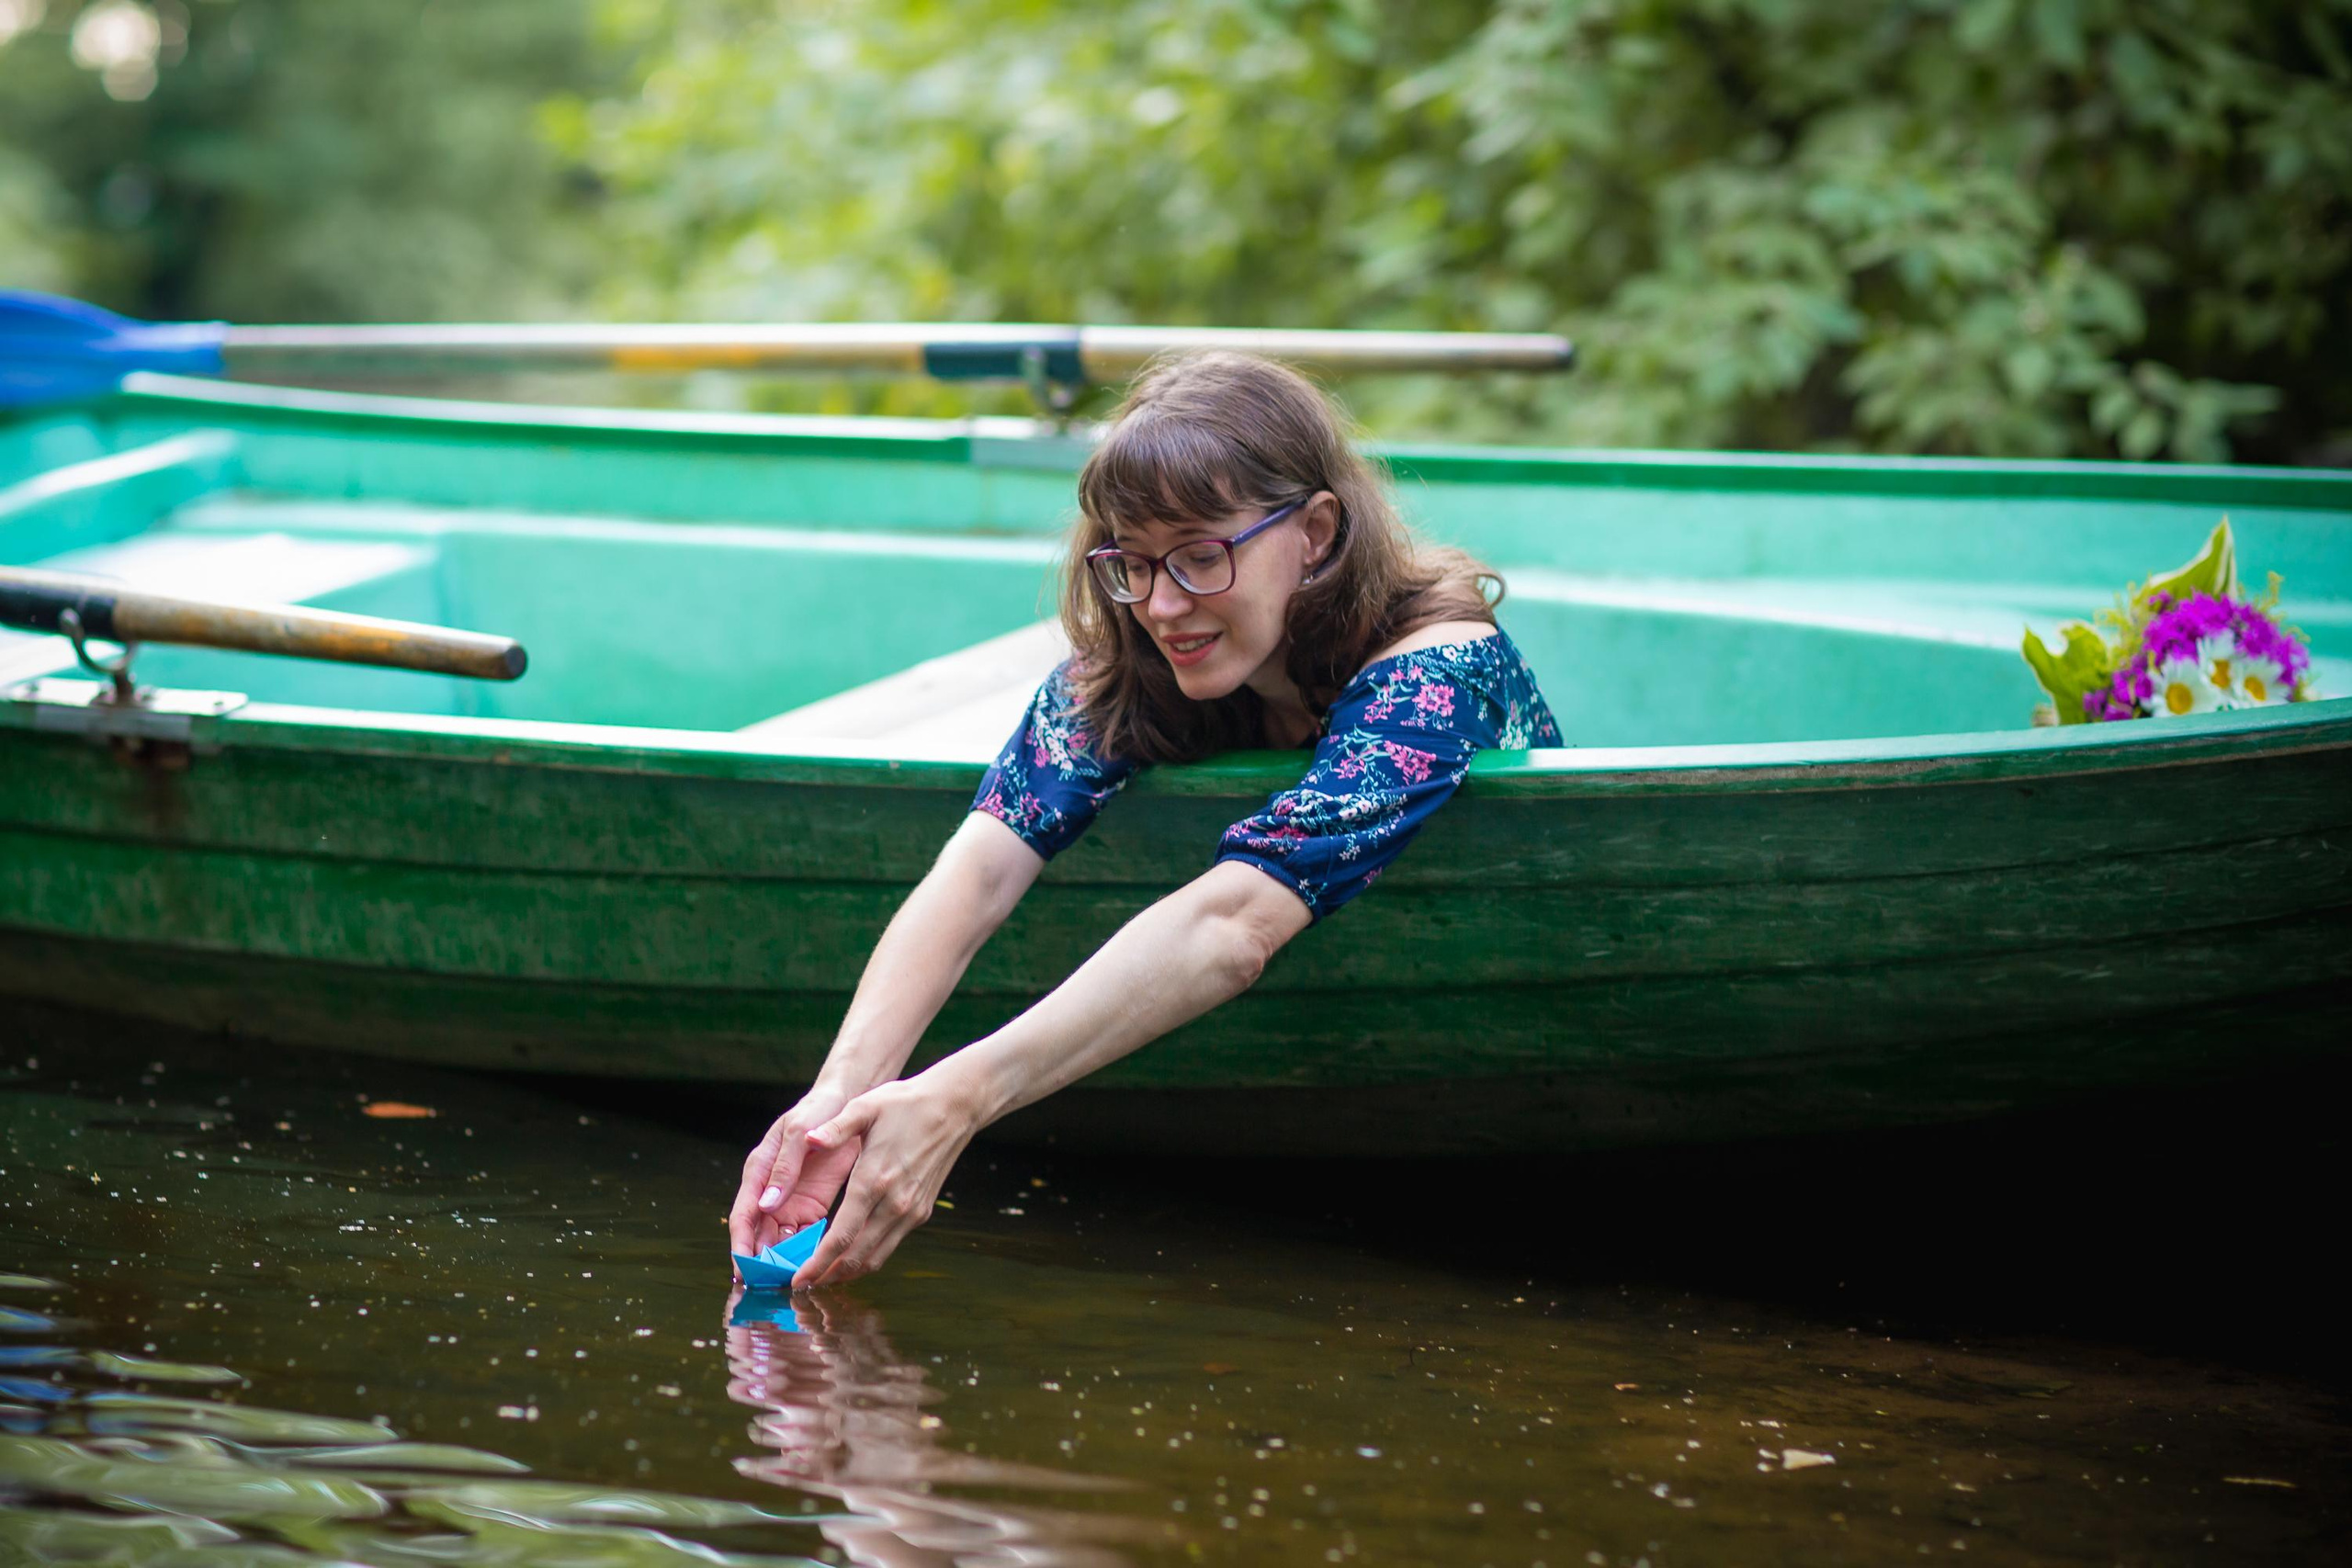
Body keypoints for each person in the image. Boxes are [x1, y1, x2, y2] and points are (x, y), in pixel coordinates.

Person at [729, 351, 1560, 1285]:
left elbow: (1236, 923)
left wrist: (957, 1098)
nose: (1163, 605)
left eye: (1203, 555)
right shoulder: (1134, 658)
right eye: (1132, 561)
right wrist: (838, 1100)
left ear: (1316, 532)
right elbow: (979, 872)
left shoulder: (1436, 671)